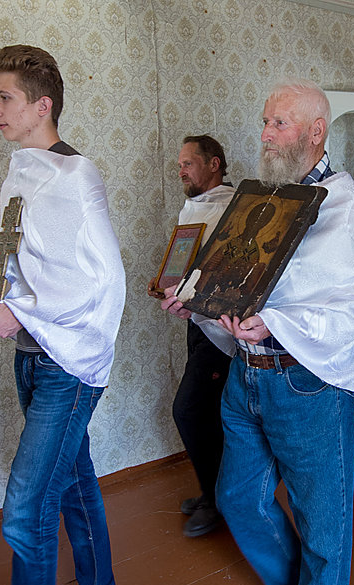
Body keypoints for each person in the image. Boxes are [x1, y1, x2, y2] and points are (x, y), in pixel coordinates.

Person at [163, 79, 354, 585]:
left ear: (316, 131)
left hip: (308, 384)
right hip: (247, 374)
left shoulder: (348, 207)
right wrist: (194, 301)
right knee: (236, 497)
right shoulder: (259, 199)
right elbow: (234, 282)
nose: (264, 134)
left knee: (323, 525)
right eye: (264, 122)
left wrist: (277, 323)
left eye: (278, 123)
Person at [0, 45, 126, 585]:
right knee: (74, 479)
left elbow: (101, 281)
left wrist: (21, 312)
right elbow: (19, 260)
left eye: (5, 97)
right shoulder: (17, 173)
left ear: (42, 105)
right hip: (30, 355)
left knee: (27, 511)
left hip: (69, 365)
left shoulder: (75, 176)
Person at [148, 135, 235, 537]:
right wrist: (168, 285)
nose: (180, 170)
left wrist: (193, 299)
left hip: (220, 329)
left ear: (214, 164)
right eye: (180, 164)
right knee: (206, 413)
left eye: (188, 163)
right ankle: (211, 493)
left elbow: (230, 273)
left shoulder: (233, 207)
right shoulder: (195, 206)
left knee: (189, 410)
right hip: (195, 324)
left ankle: (219, 501)